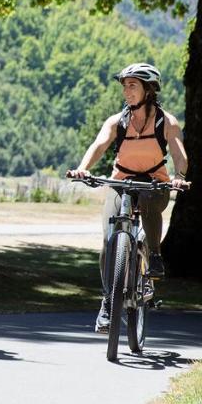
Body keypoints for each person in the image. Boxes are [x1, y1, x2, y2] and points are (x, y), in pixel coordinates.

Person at [67, 62, 188, 332]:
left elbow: (179, 153)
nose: (126, 91)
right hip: (121, 181)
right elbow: (98, 145)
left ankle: (154, 255)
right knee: (109, 241)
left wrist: (178, 175)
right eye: (124, 85)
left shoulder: (166, 121)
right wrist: (83, 169)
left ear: (149, 89)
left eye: (132, 85)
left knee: (147, 203)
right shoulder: (117, 121)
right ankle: (109, 303)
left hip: (154, 182)